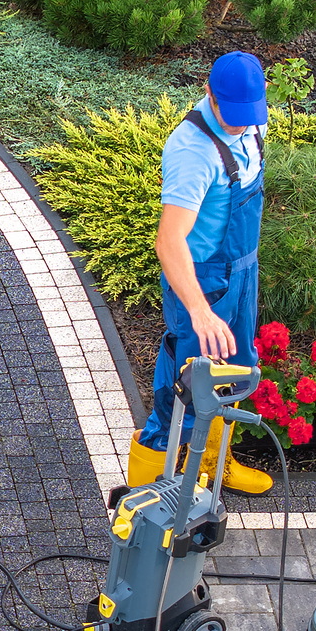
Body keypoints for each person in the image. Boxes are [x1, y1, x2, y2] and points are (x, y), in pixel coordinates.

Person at [127, 50, 273, 495]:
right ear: (208, 93)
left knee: (235, 373)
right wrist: (199, 312)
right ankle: (146, 502)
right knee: (183, 394)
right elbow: (169, 242)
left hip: (242, 271)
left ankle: (213, 466)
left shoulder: (253, 123)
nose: (242, 125)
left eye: (249, 116)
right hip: (203, 284)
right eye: (234, 116)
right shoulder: (193, 152)